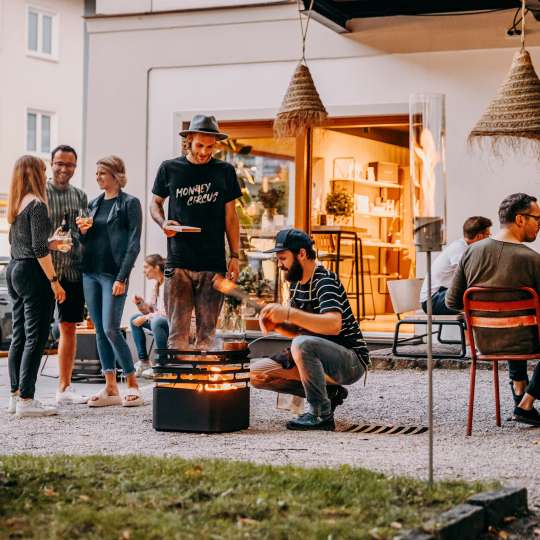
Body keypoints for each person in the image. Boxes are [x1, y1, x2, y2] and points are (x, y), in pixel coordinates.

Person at [250, 228, 370, 431]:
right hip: (317, 354)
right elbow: (299, 333)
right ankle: (328, 394)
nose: (280, 265)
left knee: (301, 344)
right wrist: (278, 325)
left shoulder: (325, 280)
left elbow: (333, 324)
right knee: (255, 374)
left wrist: (288, 314)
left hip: (350, 361)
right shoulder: (296, 285)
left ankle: (320, 414)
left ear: (302, 254)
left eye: (283, 258)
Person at [446, 193, 540, 426]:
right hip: (524, 340)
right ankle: (526, 403)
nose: (539, 224)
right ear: (520, 219)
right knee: (521, 328)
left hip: (485, 342)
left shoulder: (471, 251)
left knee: (514, 327)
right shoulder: (533, 260)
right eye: (538, 218)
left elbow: (452, 301)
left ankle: (519, 388)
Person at [150, 114, 241, 350]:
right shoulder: (170, 168)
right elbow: (155, 203)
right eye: (200, 145)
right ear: (189, 139)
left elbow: (231, 217)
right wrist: (163, 223)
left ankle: (202, 384)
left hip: (213, 263)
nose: (204, 152)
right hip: (179, 262)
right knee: (177, 334)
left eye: (210, 147)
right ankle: (177, 385)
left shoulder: (225, 171)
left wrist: (235, 256)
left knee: (207, 336)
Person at [77, 156, 143, 407]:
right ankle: (110, 387)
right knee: (100, 332)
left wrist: (122, 277)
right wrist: (82, 233)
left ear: (116, 175)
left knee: (111, 329)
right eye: (96, 173)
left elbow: (133, 244)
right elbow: (86, 244)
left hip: (112, 275)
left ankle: (133, 384)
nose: (98, 177)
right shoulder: (93, 205)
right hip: (90, 273)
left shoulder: (129, 204)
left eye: (102, 173)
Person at [6, 156, 66, 418]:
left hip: (14, 269)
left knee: (19, 335)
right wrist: (55, 282)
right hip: (33, 273)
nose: (47, 176)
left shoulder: (17, 205)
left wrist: (50, 243)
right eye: (44, 170)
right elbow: (39, 250)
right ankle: (28, 400)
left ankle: (15, 395)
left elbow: (26, 243)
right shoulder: (38, 205)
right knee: (36, 336)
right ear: (36, 175)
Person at [46, 144, 89, 405]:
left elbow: (83, 230)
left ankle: (65, 387)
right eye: (60, 163)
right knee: (35, 329)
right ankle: (21, 389)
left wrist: (85, 229)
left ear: (75, 166)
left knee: (69, 327)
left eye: (69, 164)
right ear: (51, 164)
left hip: (72, 270)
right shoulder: (39, 193)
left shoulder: (80, 196)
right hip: (44, 270)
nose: (64, 168)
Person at [420, 216, 492, 315]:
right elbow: (471, 277)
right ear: (479, 237)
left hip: (441, 295)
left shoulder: (466, 248)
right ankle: (476, 329)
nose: (489, 239)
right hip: (432, 301)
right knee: (477, 296)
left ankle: (474, 328)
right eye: (488, 235)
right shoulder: (460, 249)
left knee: (478, 296)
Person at [130, 253, 169, 375]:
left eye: (146, 267)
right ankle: (144, 361)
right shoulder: (157, 284)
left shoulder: (169, 284)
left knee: (157, 321)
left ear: (157, 267)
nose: (144, 271)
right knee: (134, 319)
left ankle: (161, 364)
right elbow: (151, 310)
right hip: (160, 321)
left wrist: (146, 317)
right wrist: (140, 303)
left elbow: (165, 313)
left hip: (173, 323)